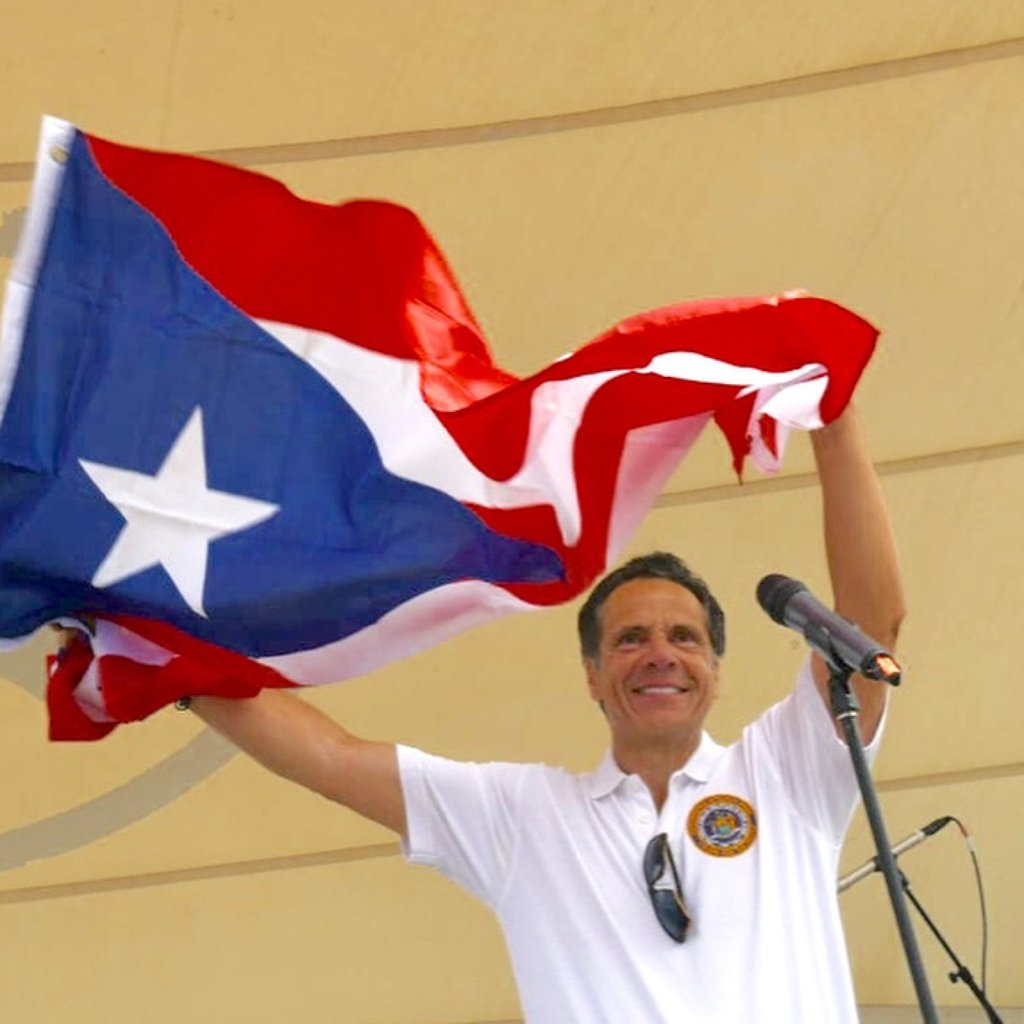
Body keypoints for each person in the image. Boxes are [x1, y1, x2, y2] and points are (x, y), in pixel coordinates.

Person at [177, 402, 904, 1023]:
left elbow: (873, 620)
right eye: (630, 640)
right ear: (592, 675)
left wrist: (833, 422)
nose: (659, 655)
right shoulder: (525, 816)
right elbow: (332, 760)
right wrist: (172, 660)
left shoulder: (784, 772)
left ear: (715, 670)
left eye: (684, 638)